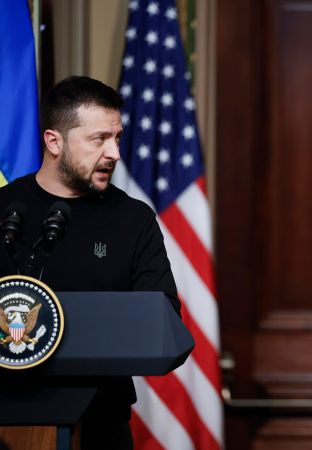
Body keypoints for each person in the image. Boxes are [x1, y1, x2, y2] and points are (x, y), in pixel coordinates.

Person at [0, 76, 179, 449]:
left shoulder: (133, 220)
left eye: (117, 138)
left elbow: (161, 317)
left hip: (101, 424)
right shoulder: (5, 210)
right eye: (99, 139)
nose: (114, 153)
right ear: (54, 142)